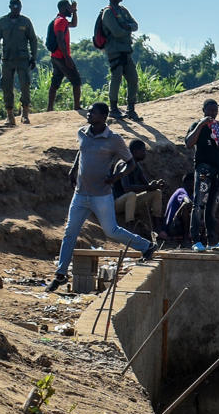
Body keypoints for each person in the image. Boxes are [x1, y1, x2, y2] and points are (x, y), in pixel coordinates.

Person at [47, 103, 154, 291]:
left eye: (93, 112)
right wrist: (73, 170)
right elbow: (82, 151)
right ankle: (61, 274)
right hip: (80, 194)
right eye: (88, 111)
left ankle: (146, 246)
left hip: (101, 195)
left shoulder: (114, 139)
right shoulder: (82, 132)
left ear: (104, 117)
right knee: (70, 232)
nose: (88, 114)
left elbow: (130, 164)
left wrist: (116, 177)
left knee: (111, 231)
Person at [182, 98, 219, 250]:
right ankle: (195, 240)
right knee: (198, 204)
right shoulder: (198, 125)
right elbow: (189, 143)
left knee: (212, 208)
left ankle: (211, 241)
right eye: (210, 110)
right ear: (203, 110)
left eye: (215, 110)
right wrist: (201, 124)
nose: (213, 113)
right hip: (204, 171)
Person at [93, 0, 141, 119]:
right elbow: (116, 32)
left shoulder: (123, 10)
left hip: (126, 50)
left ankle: (131, 109)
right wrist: (128, 28)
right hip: (114, 50)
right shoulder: (108, 12)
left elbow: (135, 25)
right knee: (116, 78)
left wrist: (127, 27)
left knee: (133, 79)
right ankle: (113, 109)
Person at [0, 0, 38, 126]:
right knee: (6, 86)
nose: (17, 8)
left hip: (23, 59)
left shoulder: (26, 21)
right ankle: (10, 115)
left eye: (19, 6)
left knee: (25, 85)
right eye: (14, 6)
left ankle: (25, 114)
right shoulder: (2, 22)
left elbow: (33, 40)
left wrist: (34, 57)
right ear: (10, 7)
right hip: (7, 59)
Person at [112, 139, 164, 239]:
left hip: (131, 202)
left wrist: (155, 185)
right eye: (143, 151)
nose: (145, 153)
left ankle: (157, 228)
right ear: (135, 151)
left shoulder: (136, 166)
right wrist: (148, 187)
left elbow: (146, 186)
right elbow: (126, 188)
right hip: (117, 203)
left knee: (156, 193)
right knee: (131, 194)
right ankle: (130, 228)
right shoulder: (123, 164)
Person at [46, 0, 82, 113]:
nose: (70, 9)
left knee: (55, 81)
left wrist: (75, 11)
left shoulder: (62, 20)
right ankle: (77, 107)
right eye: (68, 7)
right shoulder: (60, 21)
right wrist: (67, 58)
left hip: (56, 56)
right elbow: (60, 40)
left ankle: (49, 108)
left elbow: (74, 24)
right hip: (61, 57)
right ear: (62, 8)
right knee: (76, 80)